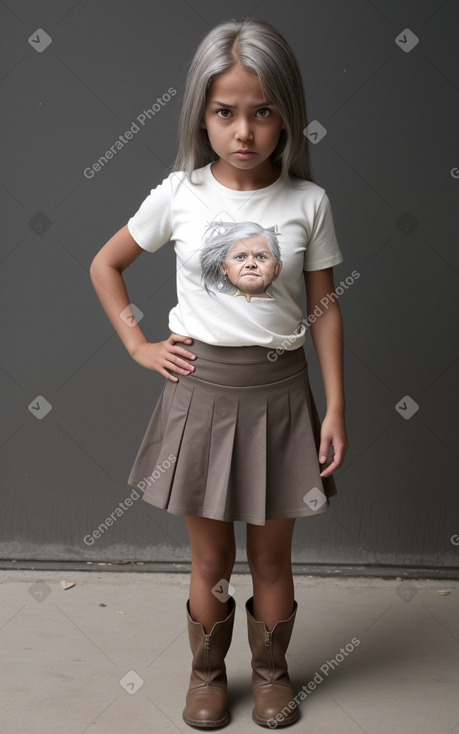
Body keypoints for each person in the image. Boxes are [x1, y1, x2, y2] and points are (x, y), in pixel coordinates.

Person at [89, 16, 348, 729]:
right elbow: (105, 265)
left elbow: (324, 308)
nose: (243, 130)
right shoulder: (179, 194)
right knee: (209, 562)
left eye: (261, 111)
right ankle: (207, 677)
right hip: (199, 397)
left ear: (286, 114)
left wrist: (334, 408)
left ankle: (270, 676)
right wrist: (140, 345)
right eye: (224, 112)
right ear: (200, 114)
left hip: (281, 397)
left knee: (269, 559)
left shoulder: (307, 202)